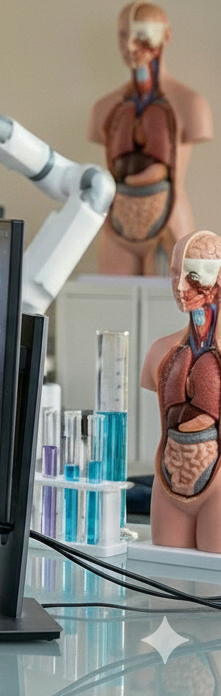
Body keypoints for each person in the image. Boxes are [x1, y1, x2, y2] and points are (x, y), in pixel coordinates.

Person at [88, 0, 213, 275]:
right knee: (112, 306)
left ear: (166, 36)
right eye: (123, 35)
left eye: (142, 34)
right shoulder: (105, 108)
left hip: (169, 219)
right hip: (117, 224)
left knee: (179, 309)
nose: (131, 45)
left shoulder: (190, 104)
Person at [141, 230, 221, 553]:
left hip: (217, 488)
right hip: (168, 486)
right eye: (174, 273)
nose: (179, 287)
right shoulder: (160, 353)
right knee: (164, 593)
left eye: (191, 276)